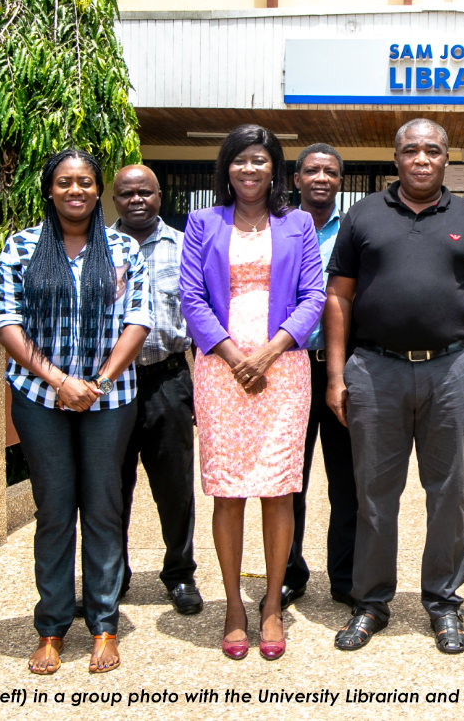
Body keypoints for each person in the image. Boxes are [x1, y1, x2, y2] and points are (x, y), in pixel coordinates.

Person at [324, 118, 464, 655]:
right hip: (375, 371)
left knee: (447, 492)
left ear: (446, 159)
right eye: (411, 150)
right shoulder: (362, 217)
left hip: (451, 371)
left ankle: (444, 604)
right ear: (396, 159)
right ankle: (372, 602)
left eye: (432, 150)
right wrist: (336, 376)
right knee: (374, 494)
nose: (421, 159)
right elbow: (339, 299)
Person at [0, 148, 152, 675]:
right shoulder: (20, 248)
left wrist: (97, 383)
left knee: (104, 509)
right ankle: (53, 627)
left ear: (97, 189)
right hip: (41, 400)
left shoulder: (125, 249)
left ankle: (104, 624)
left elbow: (138, 320)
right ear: (50, 189)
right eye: (65, 182)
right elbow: (6, 322)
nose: (76, 191)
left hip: (111, 399)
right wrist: (60, 382)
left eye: (85, 182)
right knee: (55, 512)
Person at [179, 124, 324, 661]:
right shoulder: (202, 222)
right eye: (239, 160)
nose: (249, 169)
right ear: (226, 167)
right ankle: (234, 607)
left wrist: (267, 353)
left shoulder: (298, 224)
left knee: (278, 488)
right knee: (228, 488)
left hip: (283, 368)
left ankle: (270, 604)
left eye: (259, 160)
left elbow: (313, 296)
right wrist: (235, 357)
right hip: (220, 370)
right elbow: (191, 297)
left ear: (274, 169)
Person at [109, 165, 201, 616]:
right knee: (111, 486)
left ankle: (180, 574)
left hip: (168, 379)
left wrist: (204, 391)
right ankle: (112, 575)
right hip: (111, 386)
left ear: (160, 195)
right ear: (115, 199)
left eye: (145, 192)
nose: (137, 200)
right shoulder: (97, 248)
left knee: (175, 487)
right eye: (127, 194)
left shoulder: (185, 247)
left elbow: (201, 319)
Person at [278, 143, 359, 608]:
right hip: (289, 367)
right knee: (291, 479)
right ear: (296, 179)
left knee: (346, 480)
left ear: (340, 181)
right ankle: (290, 571)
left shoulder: (354, 230)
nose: (321, 178)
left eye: (330, 171)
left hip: (343, 369)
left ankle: (345, 576)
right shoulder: (278, 227)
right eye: (311, 171)